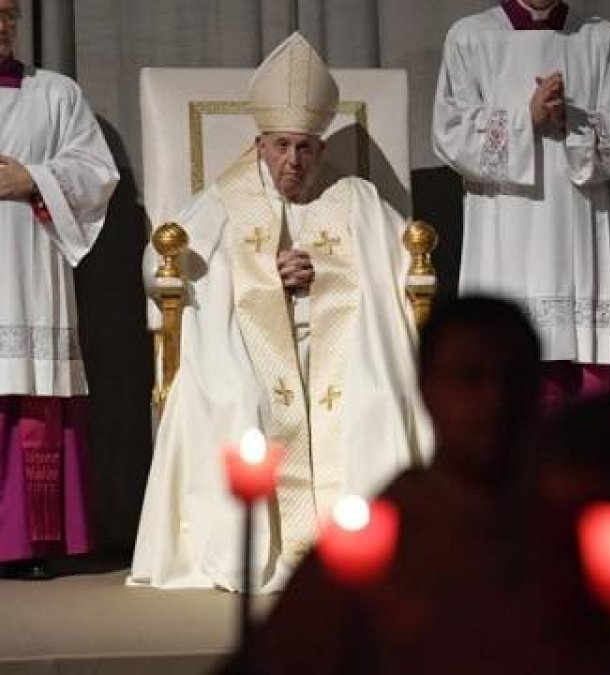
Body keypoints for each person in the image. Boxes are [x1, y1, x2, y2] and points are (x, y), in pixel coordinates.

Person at [128, 32, 431, 593]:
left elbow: (406, 267)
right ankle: (258, 553)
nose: (293, 161)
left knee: (380, 397)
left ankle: (365, 545)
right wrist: (264, 274)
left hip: (342, 347)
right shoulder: (226, 197)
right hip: (250, 346)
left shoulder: (357, 197)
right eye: (281, 146)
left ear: (320, 148)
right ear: (260, 143)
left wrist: (329, 271)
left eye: (305, 148)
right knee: (239, 399)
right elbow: (160, 265)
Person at [234, 296, 543, 674]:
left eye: (514, 377)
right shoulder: (376, 544)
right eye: (470, 377)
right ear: (427, 388)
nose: (496, 400)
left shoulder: (566, 527)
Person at [432, 0, 610, 407]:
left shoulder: (599, 37)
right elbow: (450, 134)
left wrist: (573, 120)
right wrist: (525, 117)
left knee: (586, 400)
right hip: (504, 226)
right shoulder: (471, 36)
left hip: (575, 220)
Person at [0, 0, 119, 580]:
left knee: (32, 398)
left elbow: (97, 172)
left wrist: (34, 178)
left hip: (29, 267)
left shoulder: (56, 93)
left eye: (7, 13)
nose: (0, 24)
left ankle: (30, 545)